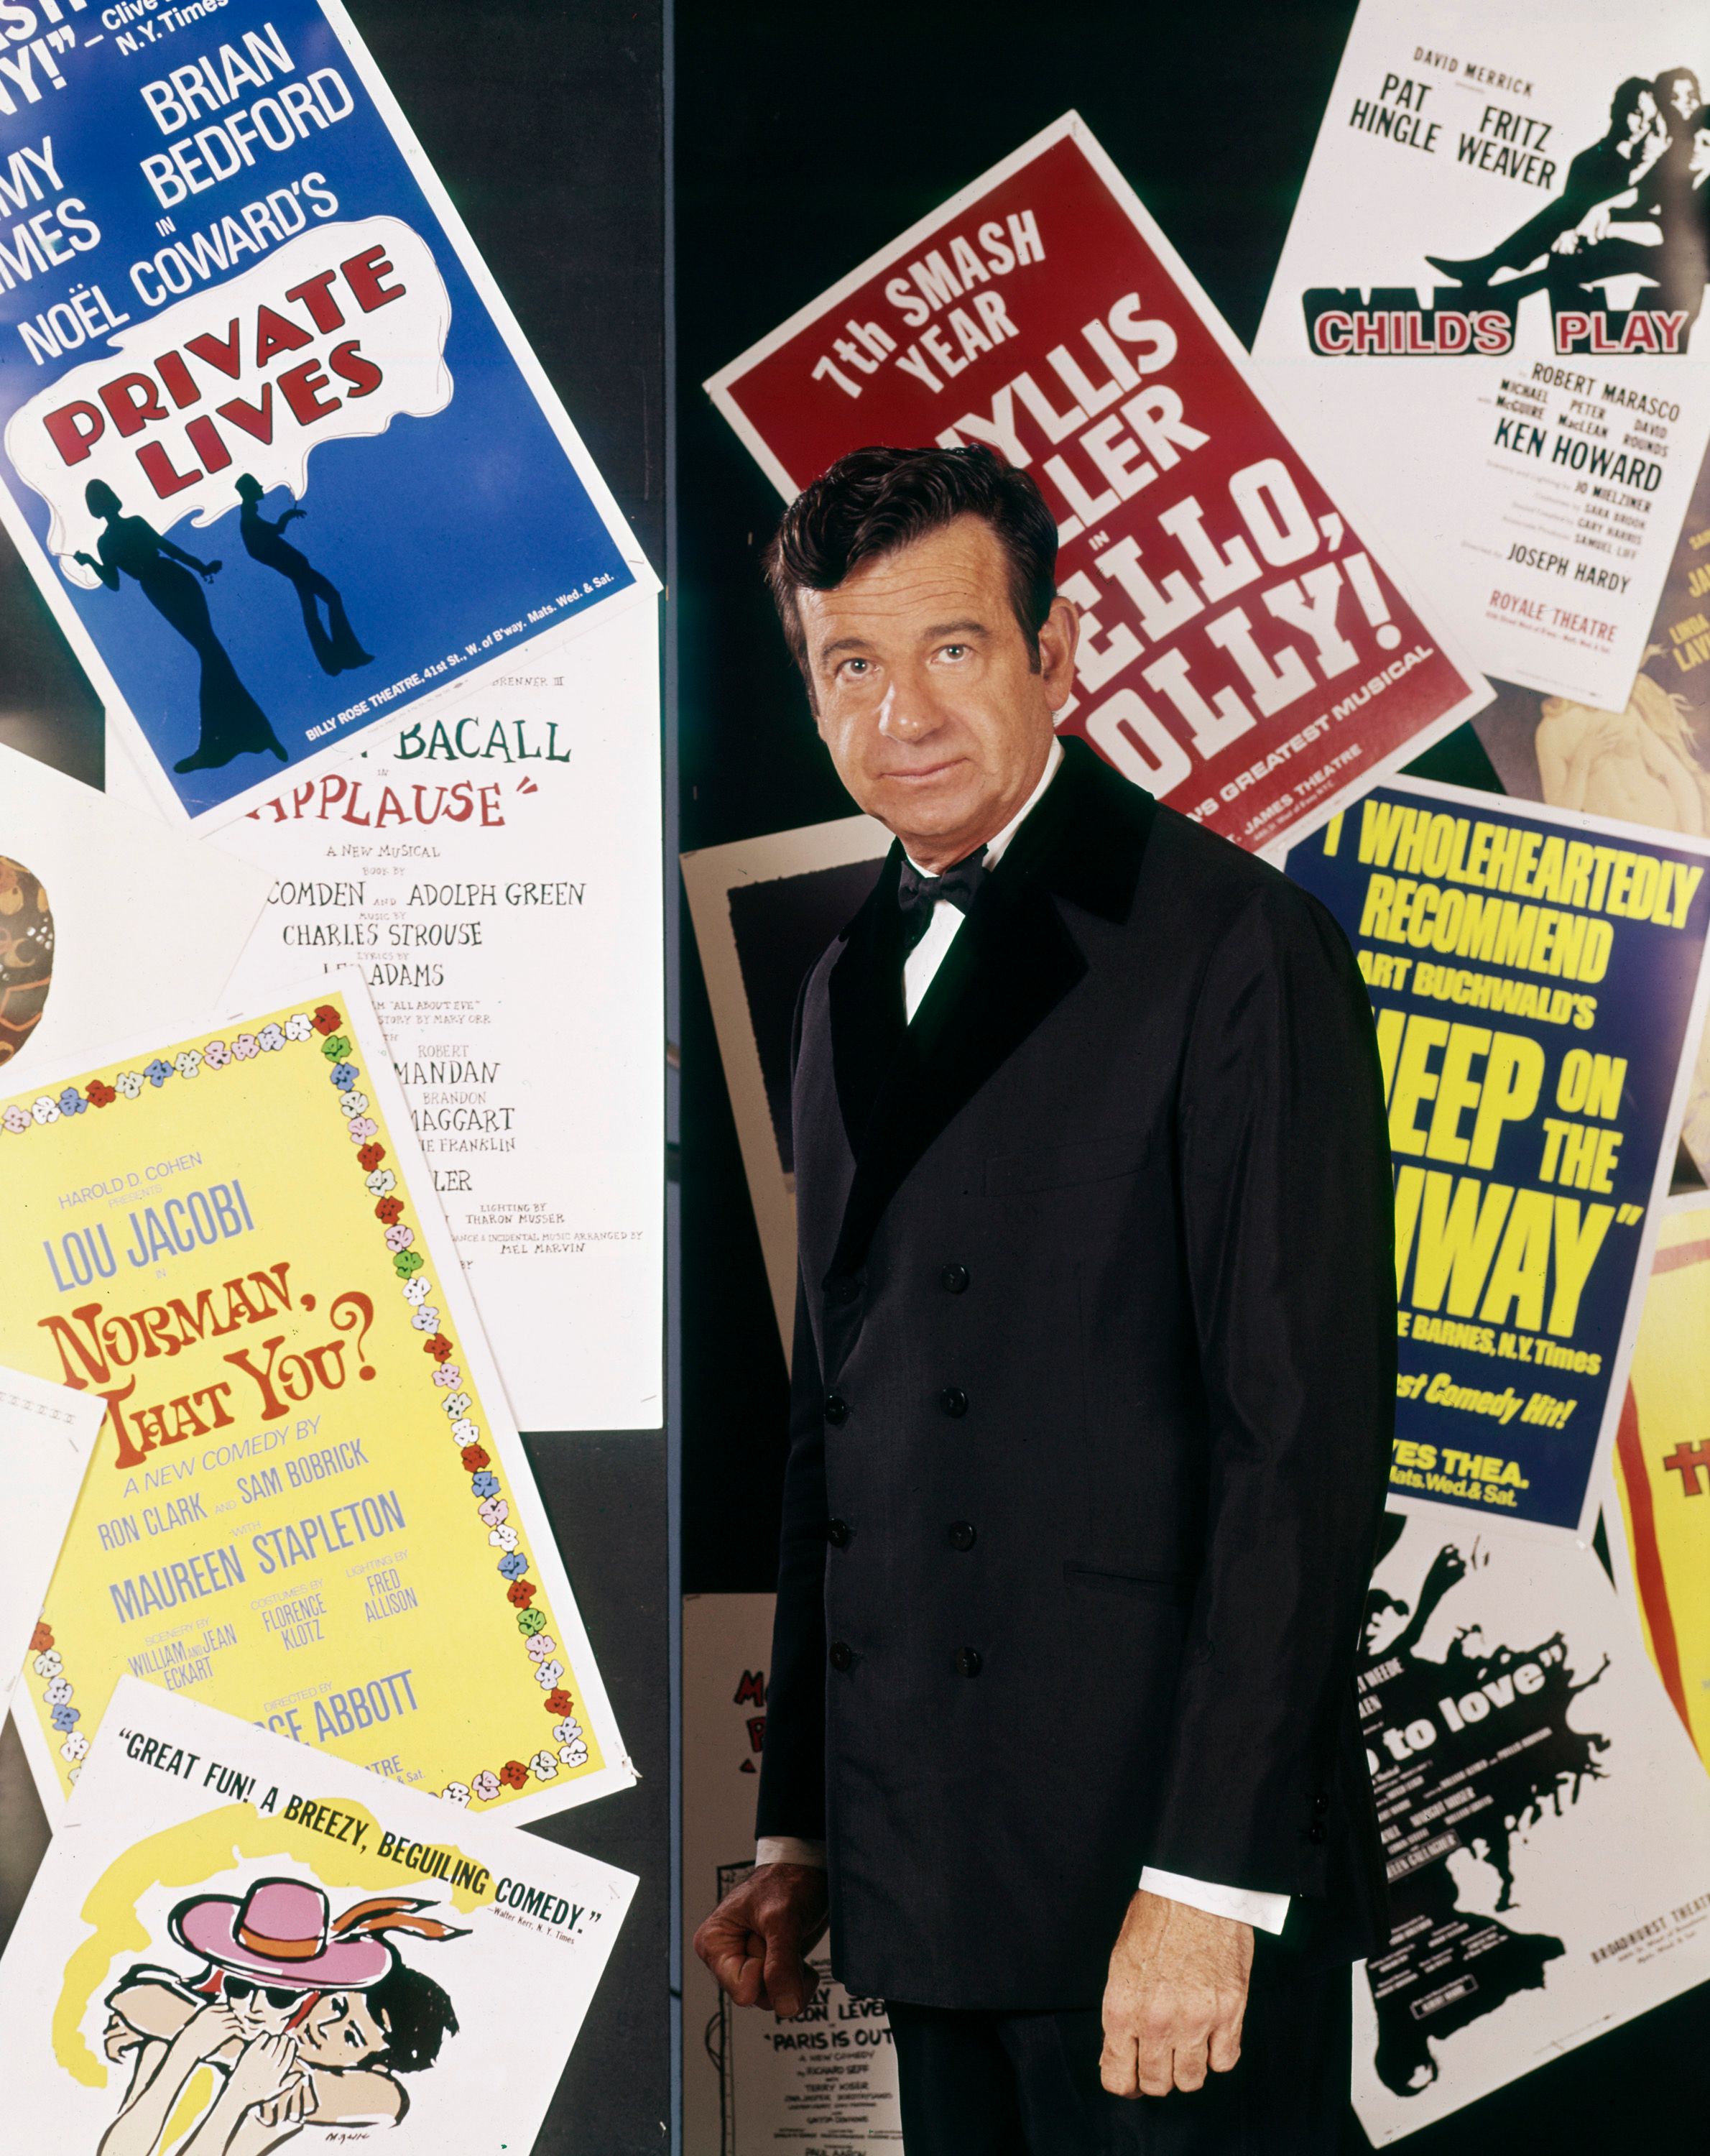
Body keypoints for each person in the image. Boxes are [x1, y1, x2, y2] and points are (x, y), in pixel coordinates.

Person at [694, 446, 1395, 2152]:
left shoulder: (1234, 944)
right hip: (932, 1860)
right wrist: (800, 1827)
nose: (902, 715)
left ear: (1058, 652)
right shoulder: (848, 976)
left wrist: (1211, 1878)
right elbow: (834, 1430)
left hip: (1161, 1873)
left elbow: (1297, 1449)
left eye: (952, 649)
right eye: (850, 665)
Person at [99, 1877, 461, 2156]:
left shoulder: (293, 2093)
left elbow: (387, 2098)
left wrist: (244, 2086)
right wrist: (190, 2049)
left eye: (280, 1995)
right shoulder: (196, 2033)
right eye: (239, 1986)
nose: (323, 2029)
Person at [73, 480, 283, 775]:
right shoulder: (119, 533)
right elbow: (154, 559)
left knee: (210, 652)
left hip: (166, 583)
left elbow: (122, 576)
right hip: (169, 581)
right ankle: (251, 735)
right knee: (211, 652)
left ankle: (225, 743)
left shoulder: (108, 541)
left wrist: (90, 563)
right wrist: (201, 567)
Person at [1426, 77, 1665, 286]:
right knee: (1565, 207)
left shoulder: (1644, 165)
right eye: (1636, 113)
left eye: (1649, 119)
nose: (1643, 124)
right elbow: (1570, 215)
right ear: (1617, 109)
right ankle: (1491, 265)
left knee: (1564, 208)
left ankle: (1490, 264)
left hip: (1626, 241)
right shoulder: (1589, 160)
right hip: (1582, 243)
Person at [234, 473, 373, 676]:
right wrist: (282, 560)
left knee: (313, 611)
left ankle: (334, 660)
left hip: (296, 568)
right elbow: (262, 543)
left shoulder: (250, 515)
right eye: (257, 486)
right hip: (296, 569)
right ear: (249, 491)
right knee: (330, 599)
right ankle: (345, 655)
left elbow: (271, 535)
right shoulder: (248, 516)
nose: (261, 488)